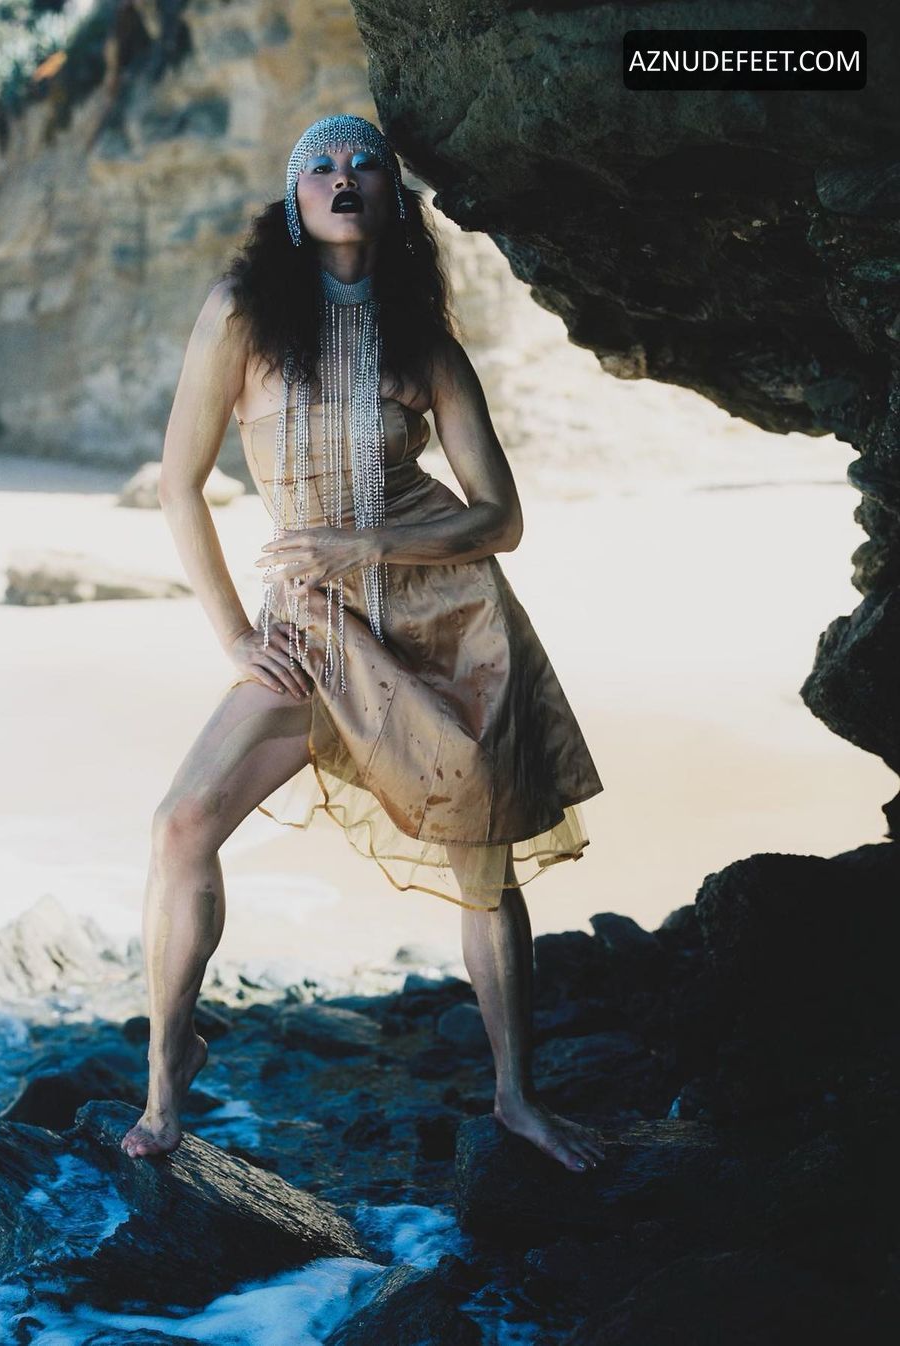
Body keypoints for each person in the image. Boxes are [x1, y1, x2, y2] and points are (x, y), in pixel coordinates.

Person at [120, 114, 607, 1174]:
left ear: (393, 197)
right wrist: (235, 635)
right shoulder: (243, 313)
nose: (343, 178)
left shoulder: (424, 343)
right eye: (320, 167)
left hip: (450, 624)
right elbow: (178, 484)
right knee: (181, 822)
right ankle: (165, 1079)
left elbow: (501, 518)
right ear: (295, 200)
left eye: (365, 164)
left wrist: (373, 540)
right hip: (313, 627)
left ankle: (517, 1096)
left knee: (484, 864)